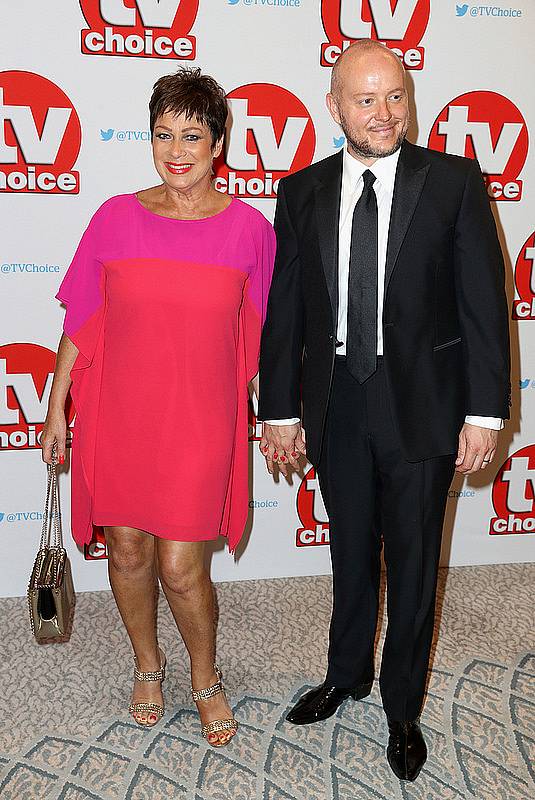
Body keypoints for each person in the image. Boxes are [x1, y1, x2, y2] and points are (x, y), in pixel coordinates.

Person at [258, 40, 510, 780]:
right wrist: (278, 409)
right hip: (336, 401)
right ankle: (346, 675)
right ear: (333, 107)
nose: (383, 113)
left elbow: (483, 307)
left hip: (424, 409)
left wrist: (485, 415)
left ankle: (401, 705)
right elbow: (284, 315)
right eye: (364, 99)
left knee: (411, 564)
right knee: (348, 553)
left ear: (409, 98)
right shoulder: (299, 191)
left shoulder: (454, 182)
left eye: (394, 96)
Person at [42, 67, 275, 748]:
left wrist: (279, 417)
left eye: (192, 134)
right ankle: (148, 663)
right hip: (118, 412)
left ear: (218, 141)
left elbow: (264, 334)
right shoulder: (114, 216)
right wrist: (58, 406)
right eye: (163, 134)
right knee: (127, 551)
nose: (177, 150)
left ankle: (205, 676)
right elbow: (80, 320)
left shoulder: (249, 233)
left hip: (200, 419)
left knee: (180, 565)